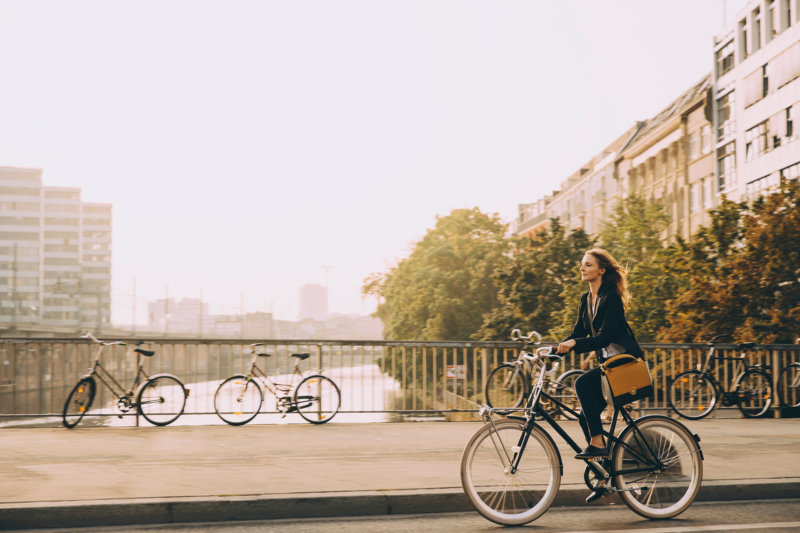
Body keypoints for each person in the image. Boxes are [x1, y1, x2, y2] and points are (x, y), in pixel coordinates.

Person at [556, 249, 643, 500]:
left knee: (583, 383)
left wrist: (574, 345)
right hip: (609, 366)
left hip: (624, 364)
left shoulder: (611, 298)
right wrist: (554, 350)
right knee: (585, 416)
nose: (582, 268)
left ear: (601, 270)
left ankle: (598, 445)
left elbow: (604, 337)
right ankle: (605, 474)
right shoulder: (586, 299)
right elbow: (578, 332)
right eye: (581, 264)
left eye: (588, 264)